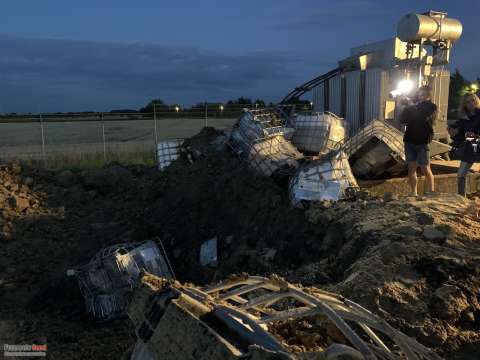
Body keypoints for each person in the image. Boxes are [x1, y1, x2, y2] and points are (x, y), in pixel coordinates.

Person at [401, 85, 437, 196]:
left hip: (422, 142)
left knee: (425, 168)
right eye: (420, 94)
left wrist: (412, 106)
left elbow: (423, 115)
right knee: (411, 169)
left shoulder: (432, 107)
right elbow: (403, 120)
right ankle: (413, 192)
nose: (421, 97)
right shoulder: (413, 107)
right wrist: (407, 107)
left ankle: (431, 191)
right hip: (410, 140)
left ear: (429, 96)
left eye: (423, 95)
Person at [448, 93, 480, 196]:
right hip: (470, 148)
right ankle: (462, 198)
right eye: (468, 101)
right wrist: (453, 132)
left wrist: (474, 135)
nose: (471, 103)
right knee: (461, 174)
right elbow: (460, 136)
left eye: (473, 100)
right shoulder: (463, 117)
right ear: (464, 104)